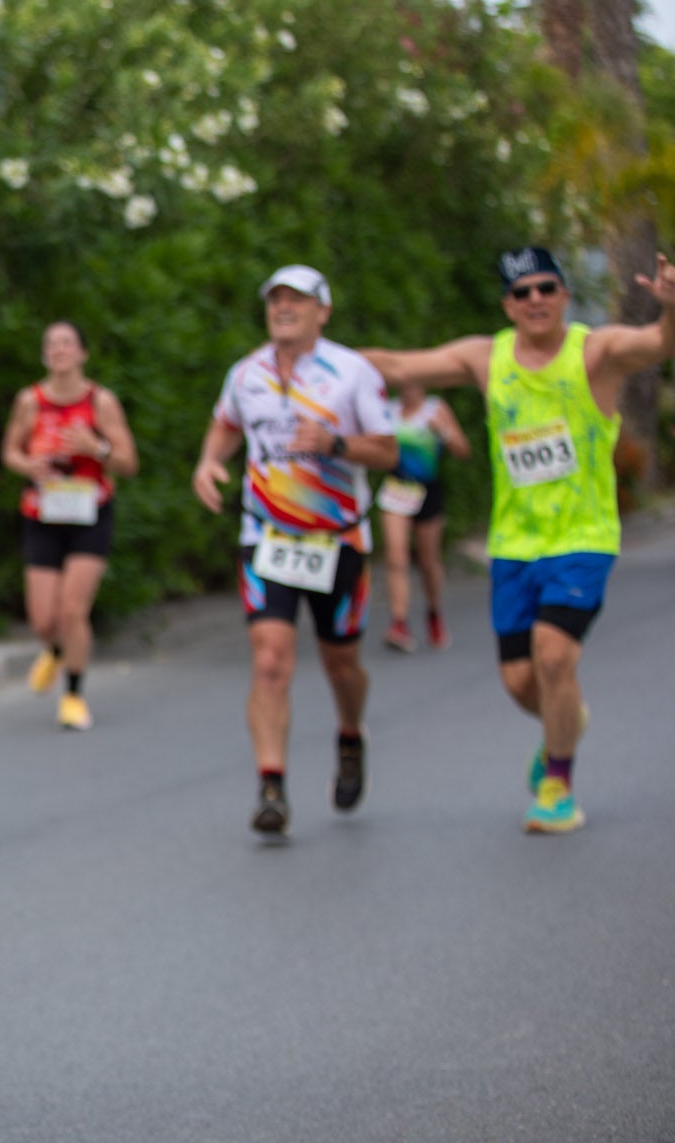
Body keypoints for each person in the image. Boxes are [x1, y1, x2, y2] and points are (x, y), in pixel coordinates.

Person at [365, 247, 675, 833]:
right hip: (513, 545)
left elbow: (659, 343)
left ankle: (557, 784)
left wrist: (671, 309)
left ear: (562, 295)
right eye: (522, 291)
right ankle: (565, 720)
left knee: (555, 655)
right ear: (508, 304)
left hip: (583, 537)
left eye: (546, 288)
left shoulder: (596, 352)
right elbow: (400, 367)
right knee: (519, 682)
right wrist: (317, 359)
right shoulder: (487, 358)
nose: (535, 299)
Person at [192, 265, 396, 838]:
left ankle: (351, 735)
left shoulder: (352, 372)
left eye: (298, 301)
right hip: (268, 538)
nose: (284, 308)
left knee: (341, 665)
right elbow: (226, 426)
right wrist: (209, 461)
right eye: (276, 300)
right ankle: (272, 786)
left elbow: (386, 450)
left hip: (338, 540)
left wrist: (334, 443)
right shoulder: (246, 373)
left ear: (322, 312)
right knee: (270, 659)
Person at [0, 321, 138, 729]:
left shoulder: (100, 402)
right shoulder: (30, 401)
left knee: (73, 611)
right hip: (43, 514)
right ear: (45, 355)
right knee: (44, 620)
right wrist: (29, 465)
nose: (59, 350)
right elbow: (10, 450)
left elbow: (129, 462)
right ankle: (58, 652)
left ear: (82, 353)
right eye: (51, 344)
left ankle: (73, 696)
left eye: (67, 343)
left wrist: (98, 448)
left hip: (89, 514)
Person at [376, 383, 470, 652]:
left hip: (428, 489)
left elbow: (463, 451)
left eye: (416, 383)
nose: (410, 390)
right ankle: (399, 623)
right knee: (396, 557)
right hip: (397, 488)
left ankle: (433, 613)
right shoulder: (389, 410)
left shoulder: (436, 409)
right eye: (406, 385)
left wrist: (444, 432)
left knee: (428, 561)